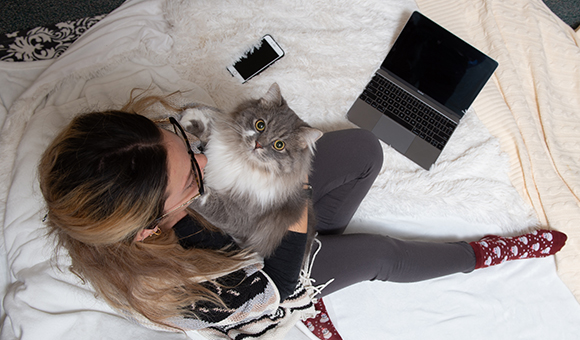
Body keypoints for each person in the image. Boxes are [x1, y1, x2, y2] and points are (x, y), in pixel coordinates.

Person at [39, 98, 567, 338]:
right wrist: (293, 194)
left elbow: (205, 147)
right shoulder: (194, 290)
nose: (203, 161)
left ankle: (327, 237)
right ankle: (483, 254)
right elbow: (279, 276)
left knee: (364, 148)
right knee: (381, 254)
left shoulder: (136, 160)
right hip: (270, 278)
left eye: (178, 142)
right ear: (150, 227)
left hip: (254, 224)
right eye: (190, 178)